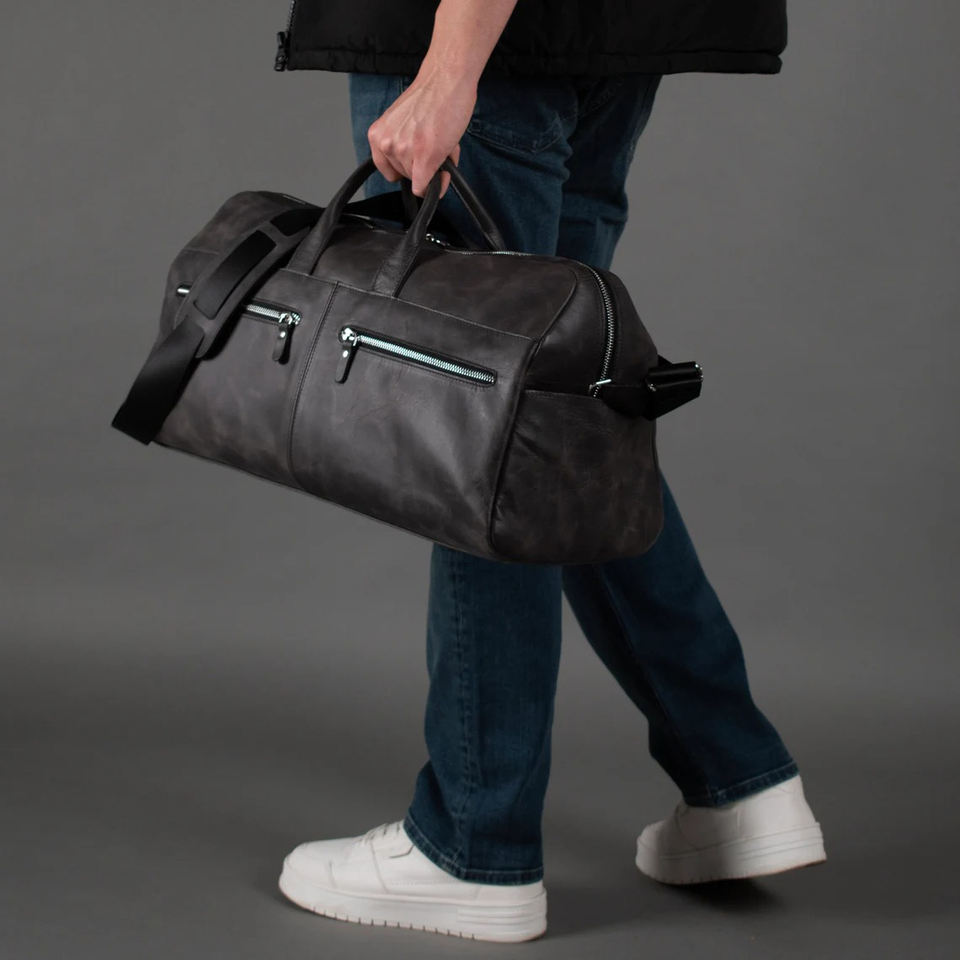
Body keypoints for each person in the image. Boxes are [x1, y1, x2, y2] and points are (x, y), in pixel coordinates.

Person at [274, 0, 826, 943]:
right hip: (590, 32)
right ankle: (736, 775)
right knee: (561, 419)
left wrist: (451, 67)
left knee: (488, 425)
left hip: (479, 45)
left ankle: (473, 844)